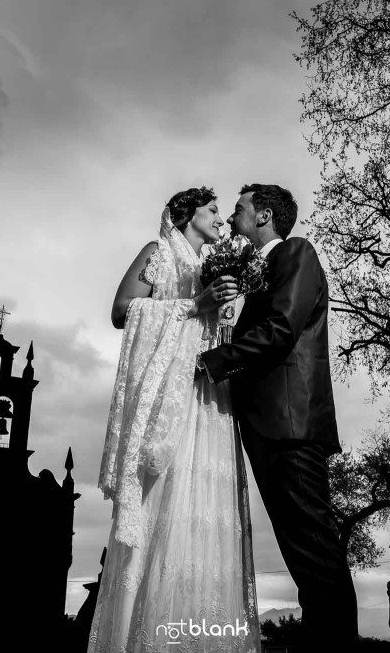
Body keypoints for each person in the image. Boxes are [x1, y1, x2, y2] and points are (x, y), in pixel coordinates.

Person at [89, 187, 261, 653]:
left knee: (205, 509)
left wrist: (222, 310)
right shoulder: (158, 253)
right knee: (162, 503)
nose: (221, 220)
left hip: (208, 398)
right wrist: (192, 305)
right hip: (168, 396)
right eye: (212, 211)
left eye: (223, 213)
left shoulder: (215, 265)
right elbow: (122, 311)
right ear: (186, 214)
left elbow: (219, 332)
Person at [198, 184, 359, 653]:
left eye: (239, 209)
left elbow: (282, 327)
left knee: (316, 557)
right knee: (303, 558)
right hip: (270, 429)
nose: (231, 217)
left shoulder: (295, 252)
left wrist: (215, 360)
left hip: (290, 426)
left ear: (264, 214)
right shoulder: (259, 271)